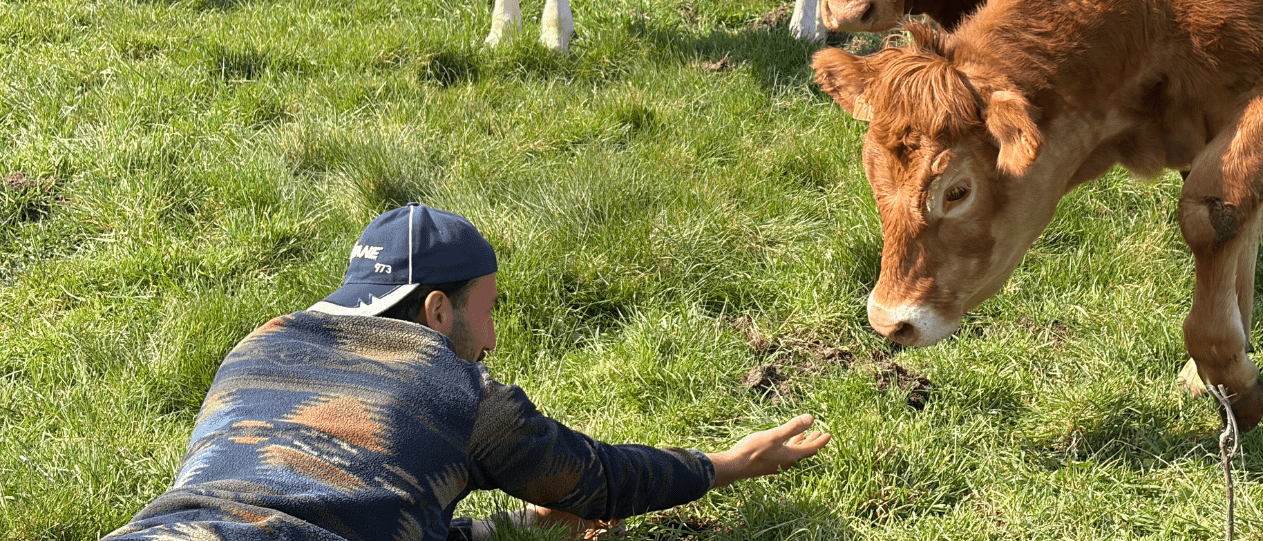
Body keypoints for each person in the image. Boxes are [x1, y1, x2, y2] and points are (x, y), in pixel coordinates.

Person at [102, 204, 831, 541]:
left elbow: (346, 506)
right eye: (489, 309)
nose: (490, 339)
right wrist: (727, 465)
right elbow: (600, 479)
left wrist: (518, 526)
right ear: (439, 310)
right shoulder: (462, 394)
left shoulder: (256, 347)